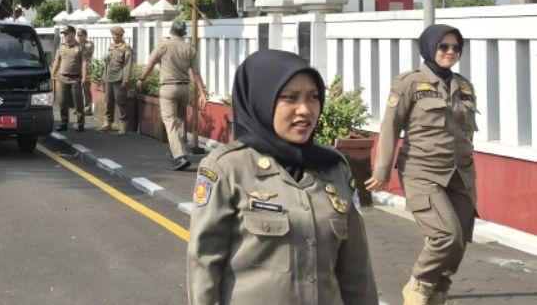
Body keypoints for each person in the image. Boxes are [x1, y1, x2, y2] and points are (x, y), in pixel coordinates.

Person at [187, 49, 378, 305]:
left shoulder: (334, 168)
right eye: (290, 98)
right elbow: (204, 266)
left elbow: (356, 269)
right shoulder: (227, 168)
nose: (305, 110)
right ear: (261, 101)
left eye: (313, 97)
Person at [365, 25, 476, 305]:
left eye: (456, 47)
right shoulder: (409, 83)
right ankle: (419, 284)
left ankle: (438, 290)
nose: (450, 52)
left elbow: (466, 133)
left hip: (460, 174)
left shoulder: (464, 86)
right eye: (443, 46)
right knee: (446, 235)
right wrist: (381, 171)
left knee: (461, 239)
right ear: (429, 47)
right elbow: (390, 126)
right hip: (422, 171)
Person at [137, 19, 208, 171]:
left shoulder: (163, 45)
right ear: (184, 33)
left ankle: (179, 156)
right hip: (185, 88)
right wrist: (203, 94)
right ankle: (181, 151)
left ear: (171, 31)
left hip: (168, 87)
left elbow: (150, 65)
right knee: (181, 121)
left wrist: (141, 79)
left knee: (170, 122)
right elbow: (196, 73)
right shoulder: (190, 48)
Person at [50, 25, 88, 132]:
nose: (65, 36)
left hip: (75, 78)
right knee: (62, 102)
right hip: (62, 77)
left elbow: (84, 63)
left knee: (78, 102)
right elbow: (57, 61)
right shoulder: (61, 46)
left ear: (73, 34)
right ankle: (64, 122)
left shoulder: (80, 47)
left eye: (67, 33)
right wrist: (53, 73)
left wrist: (84, 77)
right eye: (64, 34)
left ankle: (80, 124)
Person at [98, 26, 133, 134]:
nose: (113, 37)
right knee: (109, 102)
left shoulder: (126, 47)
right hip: (109, 77)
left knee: (121, 101)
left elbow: (128, 64)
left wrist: (125, 79)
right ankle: (108, 122)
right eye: (112, 34)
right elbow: (107, 63)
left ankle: (123, 125)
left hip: (119, 78)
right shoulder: (111, 46)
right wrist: (104, 77)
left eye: (115, 34)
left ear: (120, 35)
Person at [77, 28, 96, 114]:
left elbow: (85, 52)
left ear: (85, 36)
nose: (79, 37)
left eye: (81, 35)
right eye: (78, 35)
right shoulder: (77, 44)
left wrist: (79, 45)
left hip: (87, 68)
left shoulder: (89, 44)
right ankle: (79, 107)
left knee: (86, 89)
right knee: (77, 89)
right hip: (77, 68)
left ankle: (88, 108)